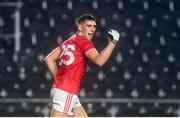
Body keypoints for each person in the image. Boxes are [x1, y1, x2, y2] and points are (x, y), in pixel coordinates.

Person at [44, 13, 120, 117]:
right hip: (66, 92)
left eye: (94, 26)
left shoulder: (69, 41)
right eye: (89, 26)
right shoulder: (84, 42)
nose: (92, 29)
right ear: (80, 26)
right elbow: (100, 61)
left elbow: (49, 59)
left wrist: (59, 81)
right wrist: (113, 42)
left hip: (64, 91)